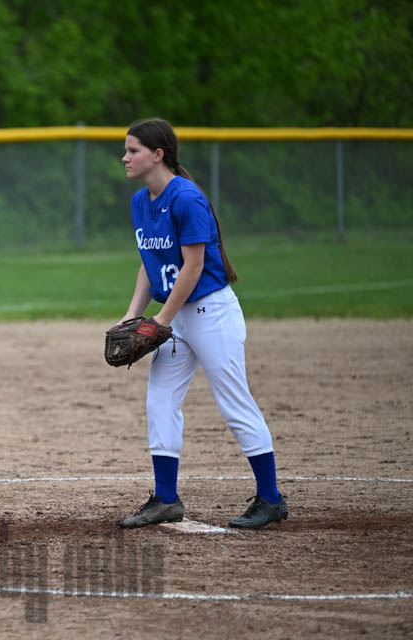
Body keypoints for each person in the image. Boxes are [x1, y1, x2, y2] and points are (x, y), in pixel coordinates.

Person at [115, 117, 287, 530]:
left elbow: (193, 267)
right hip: (174, 317)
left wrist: (161, 319)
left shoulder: (187, 199)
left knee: (233, 402)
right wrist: (133, 313)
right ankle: (166, 499)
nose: (125, 157)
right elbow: (150, 262)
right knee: (160, 402)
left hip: (211, 313)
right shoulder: (140, 202)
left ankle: (271, 499)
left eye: (133, 150)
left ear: (158, 155)